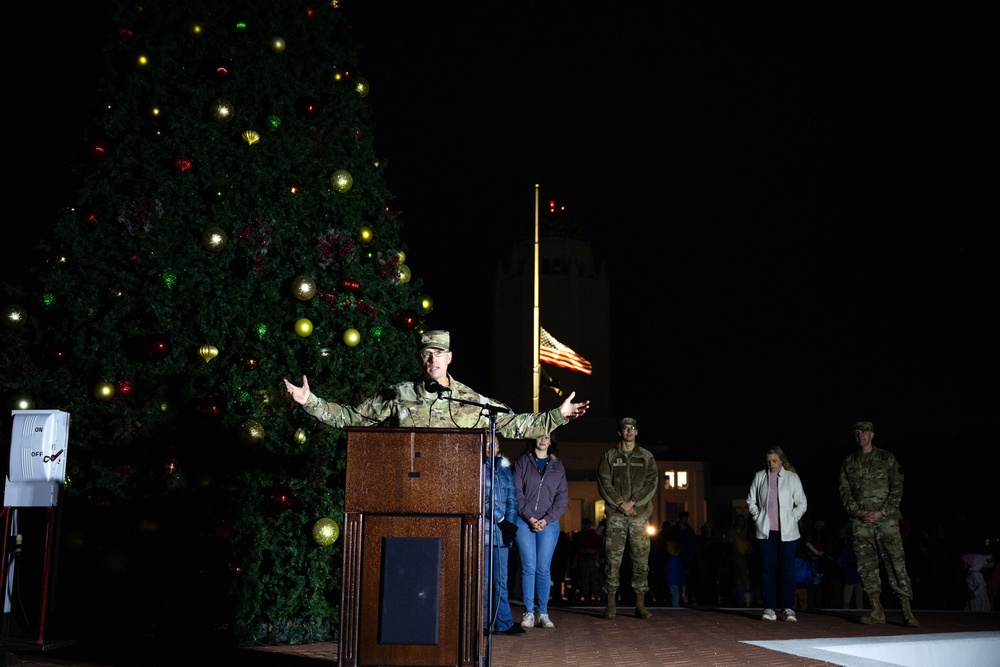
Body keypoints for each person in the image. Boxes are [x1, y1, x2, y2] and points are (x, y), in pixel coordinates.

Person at [283, 329, 590, 436]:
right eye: (427, 354)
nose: (433, 361)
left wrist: (557, 416)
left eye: (438, 354)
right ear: (421, 359)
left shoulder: (468, 400)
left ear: (450, 357)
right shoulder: (398, 395)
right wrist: (310, 401)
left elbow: (512, 425)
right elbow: (351, 418)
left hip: (451, 497)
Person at [838, 421, 919, 627]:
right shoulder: (849, 462)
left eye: (864, 433)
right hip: (861, 522)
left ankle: (907, 611)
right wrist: (857, 511)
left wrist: (882, 512)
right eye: (857, 433)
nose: (861, 436)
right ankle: (876, 610)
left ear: (872, 435)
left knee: (896, 563)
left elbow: (897, 487)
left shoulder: (886, 458)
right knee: (866, 566)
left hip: (887, 521)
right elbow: (844, 490)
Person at [597, 417, 658, 619]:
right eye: (625, 428)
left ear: (637, 432)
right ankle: (611, 604)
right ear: (619, 432)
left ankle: (640, 604)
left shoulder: (646, 457)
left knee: (641, 560)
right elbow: (604, 483)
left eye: (632, 428)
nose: (629, 431)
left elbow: (651, 483)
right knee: (612, 559)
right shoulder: (609, 456)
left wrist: (633, 502)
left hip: (639, 516)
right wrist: (620, 504)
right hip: (616, 516)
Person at [746, 446, 808, 622]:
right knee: (767, 569)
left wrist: (792, 518)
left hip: (788, 533)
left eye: (774, 461)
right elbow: (751, 500)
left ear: (781, 460)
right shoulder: (759, 477)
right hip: (766, 532)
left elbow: (802, 503)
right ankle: (769, 608)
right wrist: (758, 517)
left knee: (788, 570)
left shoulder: (792, 478)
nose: (771, 464)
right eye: (768, 461)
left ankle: (788, 608)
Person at [513, 433, 568, 629]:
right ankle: (529, 612)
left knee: (544, 568)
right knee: (528, 567)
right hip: (524, 521)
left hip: (549, 523)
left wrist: (546, 519)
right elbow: (517, 493)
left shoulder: (557, 466)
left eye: (547, 437)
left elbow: (562, 498)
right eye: (539, 436)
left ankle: (543, 613)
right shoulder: (522, 462)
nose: (543, 440)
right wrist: (530, 517)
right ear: (533, 439)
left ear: (552, 440)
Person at [483, 437, 524, 635]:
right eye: (488, 443)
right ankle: (482, 624)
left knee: (501, 582)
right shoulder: (478, 467)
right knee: (483, 582)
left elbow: (512, 500)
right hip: (483, 534)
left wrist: (508, 526)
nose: (492, 447)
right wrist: (501, 521)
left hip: (501, 535)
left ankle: (503, 622)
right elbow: (481, 498)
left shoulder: (506, 471)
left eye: (496, 444)